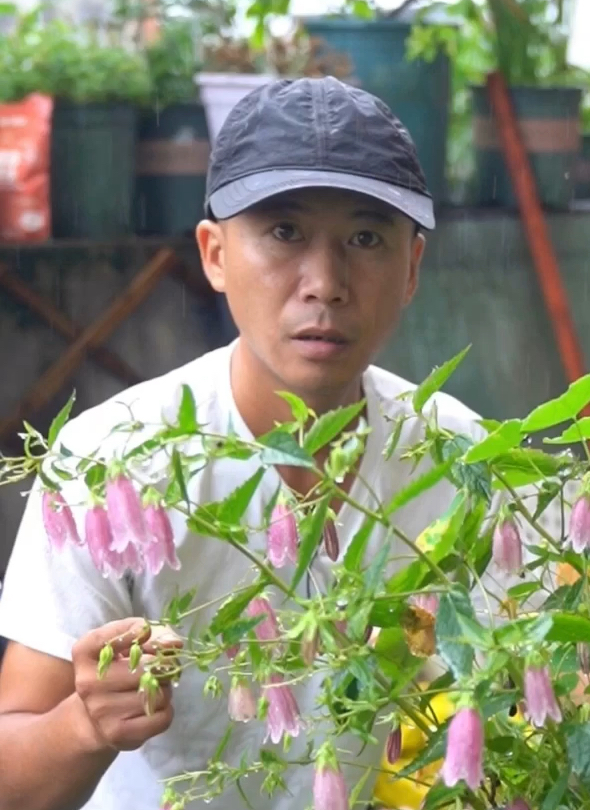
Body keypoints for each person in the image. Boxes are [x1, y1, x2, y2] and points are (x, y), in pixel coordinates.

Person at [0, 77, 536, 810]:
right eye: (284, 233)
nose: (325, 282)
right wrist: (83, 725)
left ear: (412, 267)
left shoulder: (466, 460)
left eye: (366, 237)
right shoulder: (111, 464)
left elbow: (530, 704)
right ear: (215, 254)